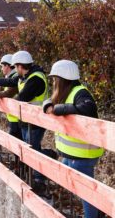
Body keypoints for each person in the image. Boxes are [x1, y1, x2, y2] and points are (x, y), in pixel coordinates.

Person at [43, 60, 104, 218]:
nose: (54, 82)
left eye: (56, 78)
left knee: (87, 193)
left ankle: (94, 216)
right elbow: (48, 100)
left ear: (63, 78)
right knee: (69, 182)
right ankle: (97, 212)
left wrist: (56, 109)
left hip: (83, 154)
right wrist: (48, 105)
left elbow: (87, 109)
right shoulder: (66, 92)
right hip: (71, 153)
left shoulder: (80, 92)